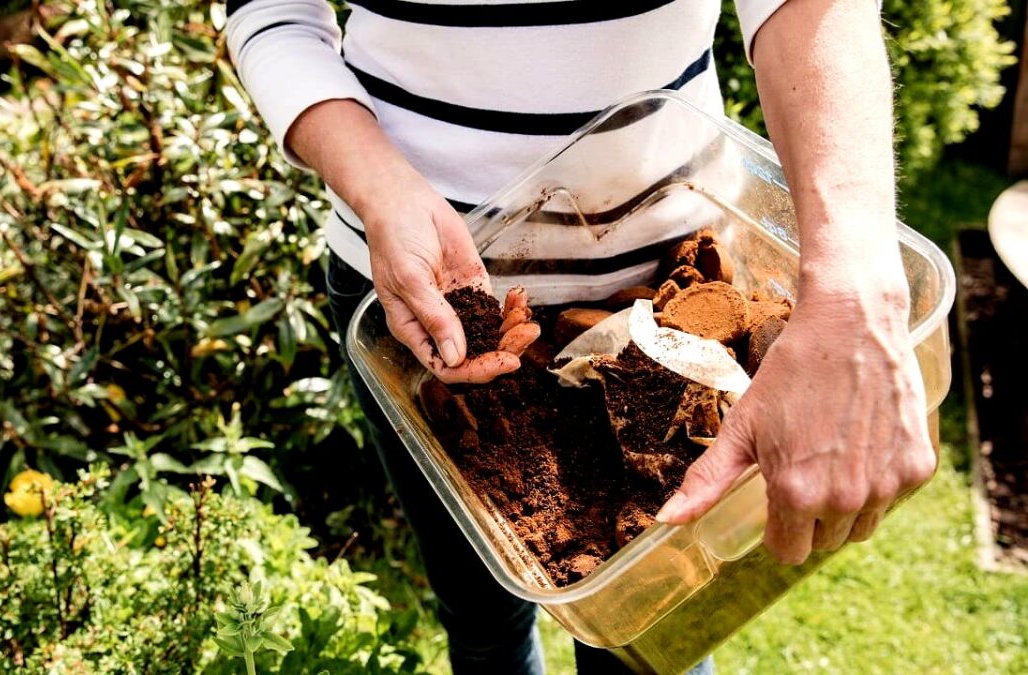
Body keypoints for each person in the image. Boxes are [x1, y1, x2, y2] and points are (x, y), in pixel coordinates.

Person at [225, 0, 937, 672]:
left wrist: (853, 295)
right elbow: (270, 9)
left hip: (673, 302)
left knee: (649, 642)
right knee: (483, 622)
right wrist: (379, 187)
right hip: (423, 309)